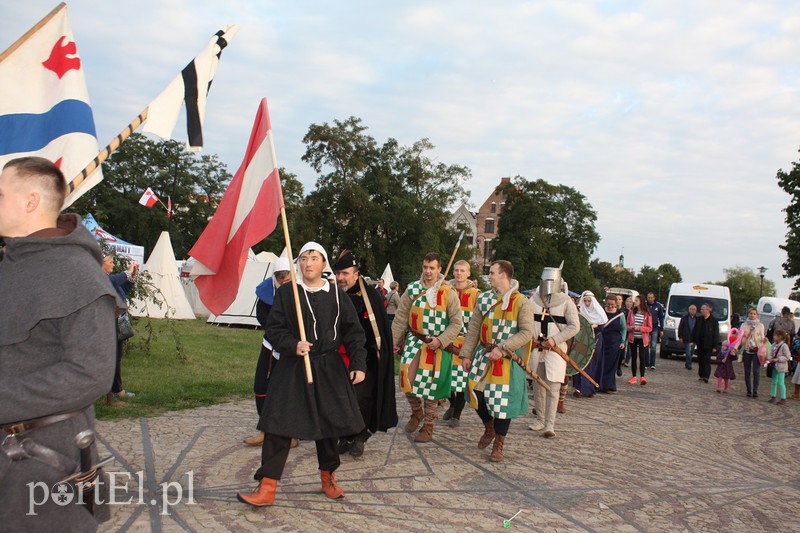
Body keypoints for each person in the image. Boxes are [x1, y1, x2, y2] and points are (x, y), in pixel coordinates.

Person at [0, 157, 118, 530]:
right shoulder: (10, 264)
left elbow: (89, 374)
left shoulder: (79, 276)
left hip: (44, 458)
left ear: (31, 201)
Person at [237, 242, 367, 506]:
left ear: (323, 264)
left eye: (314, 258)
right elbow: (274, 328)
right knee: (279, 424)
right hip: (293, 366)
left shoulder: (336, 295)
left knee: (330, 425)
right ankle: (267, 487)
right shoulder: (288, 293)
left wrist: (358, 364)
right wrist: (292, 344)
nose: (308, 263)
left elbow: (354, 332)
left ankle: (328, 477)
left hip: (329, 366)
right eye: (304, 258)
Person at [460, 260, 533, 461]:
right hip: (484, 356)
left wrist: (503, 348)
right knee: (475, 393)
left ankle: (499, 443)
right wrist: (466, 354)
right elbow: (474, 329)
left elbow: (527, 332)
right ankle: (489, 426)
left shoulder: (521, 302)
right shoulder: (483, 299)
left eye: (492, 273)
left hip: (506, 361)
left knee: (502, 403)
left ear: (504, 275)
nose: (489, 276)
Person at [392, 252, 463, 443]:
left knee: (431, 387)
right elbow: (400, 318)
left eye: (432, 268)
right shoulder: (413, 289)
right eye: (425, 267)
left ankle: (429, 425)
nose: (428, 271)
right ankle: (417, 412)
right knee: (406, 381)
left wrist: (441, 340)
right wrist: (393, 342)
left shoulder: (448, 292)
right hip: (415, 341)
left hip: (437, 346)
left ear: (439, 269)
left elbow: (457, 323)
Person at [332, 251, 398, 457]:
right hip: (339, 356)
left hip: (367, 357)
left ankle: (360, 436)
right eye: (338, 273)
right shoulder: (333, 294)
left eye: (345, 273)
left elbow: (379, 329)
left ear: (356, 274)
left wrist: (379, 352)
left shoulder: (371, 297)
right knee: (340, 398)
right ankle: (345, 436)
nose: (341, 278)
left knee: (362, 398)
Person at [243, 257, 293, 447]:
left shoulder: (300, 291)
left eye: (287, 278)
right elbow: (263, 318)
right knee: (261, 386)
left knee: (288, 390)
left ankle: (290, 434)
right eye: (280, 279)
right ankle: (265, 430)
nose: (283, 282)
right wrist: (277, 334)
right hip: (271, 344)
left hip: (292, 348)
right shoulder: (266, 293)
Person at [528, 263, 580, 438]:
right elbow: (525, 323)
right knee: (537, 385)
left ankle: (549, 425)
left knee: (553, 387)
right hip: (536, 348)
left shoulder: (566, 302)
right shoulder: (533, 300)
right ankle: (540, 420)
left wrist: (554, 340)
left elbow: (574, 327)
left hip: (555, 350)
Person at [443, 259, 480, 428]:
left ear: (468, 273)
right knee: (446, 378)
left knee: (461, 382)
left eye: (462, 270)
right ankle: (451, 404)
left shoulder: (476, 294)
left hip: (464, 341)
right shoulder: (446, 291)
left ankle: (456, 415)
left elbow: (479, 319)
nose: (458, 273)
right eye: (456, 270)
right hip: (447, 339)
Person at [103, 251, 139, 406]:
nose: (112, 264)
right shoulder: (102, 279)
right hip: (107, 323)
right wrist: (128, 271)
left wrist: (133, 276)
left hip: (117, 322)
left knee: (116, 356)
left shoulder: (111, 281)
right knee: (112, 357)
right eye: (110, 261)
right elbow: (115, 281)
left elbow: (124, 289)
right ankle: (115, 390)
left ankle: (114, 389)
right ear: (102, 263)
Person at [572, 291, 607, 398]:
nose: (587, 303)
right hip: (582, 341)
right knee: (581, 362)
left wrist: (594, 326)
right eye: (585, 301)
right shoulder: (580, 311)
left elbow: (602, 326)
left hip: (595, 340)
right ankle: (579, 388)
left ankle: (590, 388)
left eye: (589, 301)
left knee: (592, 363)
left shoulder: (599, 312)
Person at [732, 307, 766, 398]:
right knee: (747, 371)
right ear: (748, 314)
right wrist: (735, 348)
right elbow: (739, 337)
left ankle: (755, 391)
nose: (752, 315)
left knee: (756, 371)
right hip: (747, 350)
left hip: (756, 350)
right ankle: (749, 390)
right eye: (751, 313)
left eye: (754, 314)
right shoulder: (744, 325)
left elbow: (762, 336)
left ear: (757, 315)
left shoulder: (760, 325)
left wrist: (764, 340)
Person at [597, 295, 626, 393]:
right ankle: (598, 384)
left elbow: (623, 329)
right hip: (602, 341)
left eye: (612, 305)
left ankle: (608, 386)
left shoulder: (620, 314)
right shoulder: (601, 312)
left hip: (614, 343)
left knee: (610, 365)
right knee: (601, 363)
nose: (610, 306)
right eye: (608, 304)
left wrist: (622, 341)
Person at [626, 295, 652, 385]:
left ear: (641, 301)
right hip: (633, 338)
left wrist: (640, 328)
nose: (634, 302)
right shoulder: (631, 312)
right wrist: (631, 328)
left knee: (642, 356)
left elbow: (650, 328)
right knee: (633, 357)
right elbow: (627, 325)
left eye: (636, 300)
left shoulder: (647, 313)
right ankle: (634, 376)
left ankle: (642, 376)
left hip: (642, 338)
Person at [693, 303, 719, 383]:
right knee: (700, 360)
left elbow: (716, 334)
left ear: (708, 310)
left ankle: (706, 376)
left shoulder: (713, 321)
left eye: (702, 309)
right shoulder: (699, 319)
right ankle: (701, 375)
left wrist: (715, 346)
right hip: (700, 343)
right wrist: (693, 340)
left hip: (709, 344)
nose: (701, 311)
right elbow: (695, 330)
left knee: (707, 360)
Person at [767, 330, 791, 405]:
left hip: (781, 367)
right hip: (774, 366)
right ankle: (773, 396)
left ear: (779, 336)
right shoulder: (774, 345)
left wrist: (778, 359)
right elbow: (771, 353)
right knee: (774, 381)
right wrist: (770, 358)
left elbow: (787, 356)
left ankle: (783, 398)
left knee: (781, 382)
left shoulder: (784, 346)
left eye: (775, 335)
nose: (774, 337)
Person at [646, 292, 664, 369]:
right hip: (646, 328)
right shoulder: (645, 305)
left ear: (654, 298)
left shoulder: (658, 306)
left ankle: (652, 364)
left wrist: (662, 329)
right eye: (648, 297)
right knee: (646, 346)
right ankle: (646, 363)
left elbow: (661, 318)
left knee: (653, 346)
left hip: (654, 327)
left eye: (651, 297)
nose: (650, 299)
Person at [678, 304, 698, 371]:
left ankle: (687, 363)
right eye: (691, 309)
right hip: (686, 337)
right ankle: (689, 364)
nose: (692, 311)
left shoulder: (697, 319)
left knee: (691, 352)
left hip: (694, 338)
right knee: (688, 352)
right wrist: (680, 336)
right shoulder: (684, 318)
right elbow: (680, 328)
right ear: (689, 310)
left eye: (694, 309)